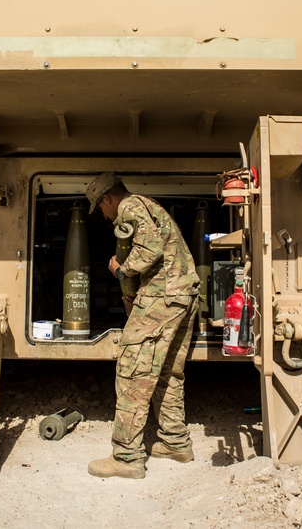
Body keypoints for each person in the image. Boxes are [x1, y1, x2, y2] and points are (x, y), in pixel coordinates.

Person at [84, 172, 201, 479]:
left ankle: (126, 457)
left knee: (131, 369)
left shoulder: (129, 207)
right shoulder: (149, 205)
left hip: (162, 296)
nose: (104, 215)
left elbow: (150, 250)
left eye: (101, 207)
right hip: (183, 294)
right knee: (168, 372)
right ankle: (175, 442)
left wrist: (121, 270)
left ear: (108, 198)